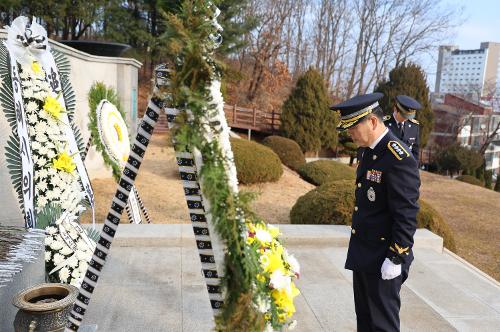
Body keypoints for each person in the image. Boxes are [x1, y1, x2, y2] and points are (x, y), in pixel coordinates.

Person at [330, 92, 420, 332]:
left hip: (384, 256)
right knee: (366, 321)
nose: (349, 133)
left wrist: (396, 257)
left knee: (383, 325)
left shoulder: (398, 157)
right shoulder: (367, 150)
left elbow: (407, 213)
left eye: (353, 127)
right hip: (364, 251)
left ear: (372, 121)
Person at [383, 95, 421, 162]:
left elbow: (415, 151)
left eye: (408, 116)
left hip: (405, 168)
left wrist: (413, 168)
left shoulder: (414, 126)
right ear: (395, 109)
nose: (406, 119)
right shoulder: (383, 124)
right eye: (404, 115)